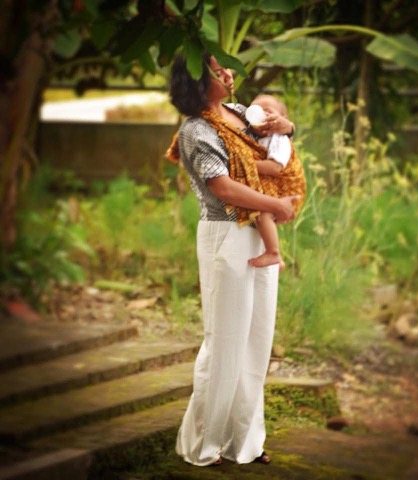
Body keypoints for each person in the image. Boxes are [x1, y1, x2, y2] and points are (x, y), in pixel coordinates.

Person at [166, 53, 299, 467]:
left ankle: (245, 442)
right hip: (226, 234)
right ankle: (205, 445)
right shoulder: (196, 130)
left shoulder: (240, 113)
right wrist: (275, 205)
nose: (228, 73)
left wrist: (289, 127)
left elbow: (280, 136)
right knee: (224, 342)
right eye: (216, 70)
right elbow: (222, 187)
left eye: (224, 67)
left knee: (256, 341)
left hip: (258, 233)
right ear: (196, 81)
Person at [243, 94, 306, 269]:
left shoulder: (279, 139)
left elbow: (274, 167)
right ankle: (277, 258)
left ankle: (274, 253)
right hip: (275, 188)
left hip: (288, 192)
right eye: (255, 110)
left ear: (283, 119)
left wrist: (245, 165)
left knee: (264, 213)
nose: (261, 115)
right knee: (262, 217)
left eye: (268, 111)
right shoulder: (254, 137)